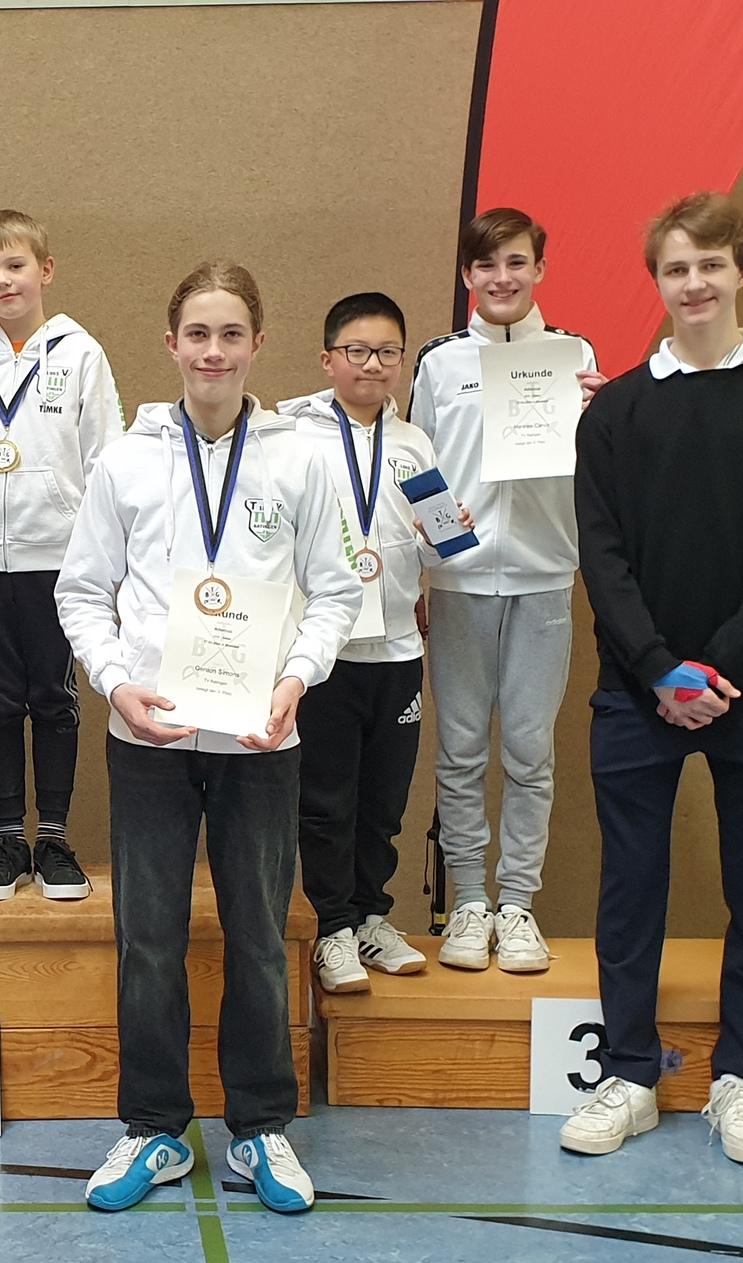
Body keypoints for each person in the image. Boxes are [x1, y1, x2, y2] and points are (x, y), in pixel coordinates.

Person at [57, 261, 361, 1214]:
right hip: (148, 736)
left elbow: (339, 589)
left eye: (231, 334)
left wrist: (294, 679)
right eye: (198, 333)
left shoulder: (300, 458)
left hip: (259, 740)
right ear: (171, 343)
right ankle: (153, 1130)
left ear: (256, 345)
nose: (214, 352)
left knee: (259, 936)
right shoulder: (126, 459)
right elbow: (79, 593)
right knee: (146, 936)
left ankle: (260, 1125)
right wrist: (117, 682)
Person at [564, 192, 743, 1166]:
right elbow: (601, 553)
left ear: (741, 270)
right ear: (658, 282)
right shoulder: (619, 412)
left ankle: (738, 1077)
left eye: (710, 265)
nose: (694, 284)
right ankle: (631, 1073)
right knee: (631, 888)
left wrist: (718, 667)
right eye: (676, 269)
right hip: (638, 693)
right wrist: (656, 667)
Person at [409, 209, 602, 973]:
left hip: (543, 575)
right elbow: (416, 468)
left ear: (539, 270)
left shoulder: (575, 355)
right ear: (466, 276)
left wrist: (599, 411)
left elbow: (595, 467)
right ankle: (467, 902)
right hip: (456, 578)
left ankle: (517, 903)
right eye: (485, 265)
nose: (501, 279)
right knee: (458, 753)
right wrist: (425, 561)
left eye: (516, 263)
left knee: (528, 752)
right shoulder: (437, 362)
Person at [280, 292, 457, 994]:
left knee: (382, 801)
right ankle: (330, 926)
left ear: (402, 361)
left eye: (387, 351)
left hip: (396, 654)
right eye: (356, 350)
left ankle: (371, 917)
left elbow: (442, 551)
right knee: (326, 800)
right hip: (326, 654)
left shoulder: (413, 442)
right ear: (328, 359)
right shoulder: (290, 432)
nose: (372, 363)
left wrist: (445, 533)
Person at [0, 209, 122, 900]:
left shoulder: (81, 354)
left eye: (15, 265)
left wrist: (104, 559)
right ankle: (6, 839)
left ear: (44, 271)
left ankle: (52, 837)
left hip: (57, 556)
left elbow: (106, 460)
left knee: (52, 698)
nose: (3, 280)